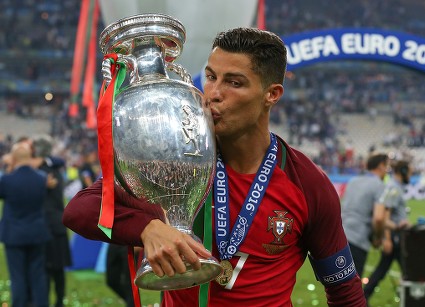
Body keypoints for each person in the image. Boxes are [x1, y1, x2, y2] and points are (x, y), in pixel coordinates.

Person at [63, 27, 366, 306]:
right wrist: (147, 227)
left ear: (271, 94)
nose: (214, 94)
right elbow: (81, 209)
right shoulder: (176, 159)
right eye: (210, 77)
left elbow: (344, 289)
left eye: (234, 82)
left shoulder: (305, 182)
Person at [0, 142, 52, 307]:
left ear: (14, 159)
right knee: (38, 275)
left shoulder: (7, 180)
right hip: (37, 231)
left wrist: (8, 168)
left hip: (14, 234)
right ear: (30, 158)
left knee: (18, 277)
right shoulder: (41, 179)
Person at [32, 135, 73, 307]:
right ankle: (57, 301)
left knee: (49, 269)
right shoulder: (54, 167)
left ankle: (52, 302)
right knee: (55, 269)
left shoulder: (44, 170)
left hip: (49, 225)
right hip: (55, 224)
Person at [363, 160, 412, 301]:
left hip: (396, 237)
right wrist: (387, 239)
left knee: (382, 270)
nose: (410, 175)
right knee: (409, 271)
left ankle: (364, 297)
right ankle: (412, 299)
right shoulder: (394, 188)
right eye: (409, 172)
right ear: (402, 172)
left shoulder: (394, 187)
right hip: (395, 238)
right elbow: (385, 215)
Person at [341, 153, 389, 277]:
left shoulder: (352, 181)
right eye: (386, 166)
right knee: (353, 290)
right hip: (358, 239)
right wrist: (378, 237)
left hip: (340, 236)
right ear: (380, 166)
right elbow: (378, 218)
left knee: (338, 287)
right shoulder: (379, 185)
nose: (387, 171)